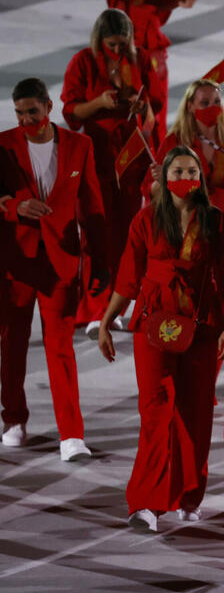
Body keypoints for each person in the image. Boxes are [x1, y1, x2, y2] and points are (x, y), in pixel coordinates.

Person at [97, 146, 224, 531]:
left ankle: (190, 495)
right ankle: (146, 502)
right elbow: (127, 275)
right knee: (155, 410)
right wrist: (108, 321)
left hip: (203, 323)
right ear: (163, 177)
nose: (185, 176)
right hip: (153, 323)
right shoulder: (145, 220)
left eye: (192, 170)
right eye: (177, 170)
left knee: (196, 411)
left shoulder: (216, 221)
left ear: (201, 176)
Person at [0, 78, 107, 459]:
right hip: (15, 262)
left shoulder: (80, 146)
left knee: (60, 347)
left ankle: (71, 435)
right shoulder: (3, 144)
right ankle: (14, 418)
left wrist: (101, 263)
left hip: (61, 260)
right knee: (12, 344)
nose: (26, 119)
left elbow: (92, 207)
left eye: (32, 111)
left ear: (48, 107)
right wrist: (15, 207)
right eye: (19, 113)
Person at [62, 8, 166, 335]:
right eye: (112, 43)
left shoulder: (142, 59)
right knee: (95, 232)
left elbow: (156, 110)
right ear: (99, 39)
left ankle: (115, 308)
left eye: (123, 43)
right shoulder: (83, 61)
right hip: (95, 155)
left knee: (124, 235)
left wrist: (141, 105)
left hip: (130, 158)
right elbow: (71, 113)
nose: (118, 50)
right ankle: (93, 307)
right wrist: (99, 104)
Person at [148, 78, 224, 240]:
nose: (212, 107)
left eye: (217, 102)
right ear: (190, 106)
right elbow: (151, 191)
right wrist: (161, 180)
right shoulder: (174, 142)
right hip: (186, 228)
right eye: (205, 103)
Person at [97, 0, 198, 131]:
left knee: (156, 106)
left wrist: (177, 2)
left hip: (152, 45)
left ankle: (155, 154)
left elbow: (159, 8)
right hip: (121, 44)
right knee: (122, 106)